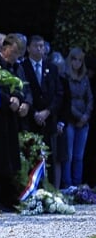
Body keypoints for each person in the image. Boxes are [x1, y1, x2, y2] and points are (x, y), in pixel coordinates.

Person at [0, 34, 29, 211]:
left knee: (11, 160)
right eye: (13, 52)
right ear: (5, 49)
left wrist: (21, 101)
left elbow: (22, 86)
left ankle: (9, 198)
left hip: (12, 118)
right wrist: (9, 101)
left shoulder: (17, 66)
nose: (16, 57)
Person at [22, 35, 63, 187]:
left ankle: (49, 189)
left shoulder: (51, 67)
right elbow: (24, 91)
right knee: (30, 155)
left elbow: (59, 93)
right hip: (30, 119)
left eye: (42, 46)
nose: (40, 49)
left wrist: (48, 111)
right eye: (36, 46)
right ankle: (30, 189)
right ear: (28, 48)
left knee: (50, 156)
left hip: (48, 119)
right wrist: (34, 113)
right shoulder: (23, 66)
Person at [60, 47, 92, 188]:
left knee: (79, 156)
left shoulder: (85, 78)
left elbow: (90, 98)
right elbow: (67, 100)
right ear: (70, 60)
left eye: (80, 60)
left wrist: (86, 116)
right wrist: (79, 116)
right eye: (75, 59)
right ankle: (68, 185)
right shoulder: (65, 77)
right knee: (69, 155)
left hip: (84, 121)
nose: (77, 63)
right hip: (70, 119)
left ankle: (77, 185)